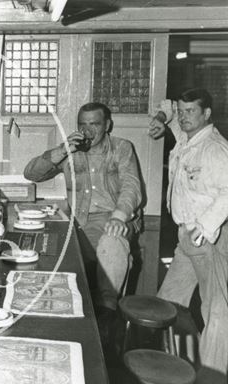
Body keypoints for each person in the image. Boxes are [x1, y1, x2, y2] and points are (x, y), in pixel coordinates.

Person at [23, 102, 143, 343]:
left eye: (94, 124)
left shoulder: (121, 148)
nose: (88, 130)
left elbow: (132, 186)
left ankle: (107, 314)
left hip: (112, 219)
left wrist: (119, 216)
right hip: (79, 223)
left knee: (112, 240)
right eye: (83, 124)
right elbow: (31, 173)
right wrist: (61, 150)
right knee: (46, 251)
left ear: (107, 125)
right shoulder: (70, 150)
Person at [148, 88, 228, 384]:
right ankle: (184, 360)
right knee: (169, 302)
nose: (183, 117)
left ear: (206, 113)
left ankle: (213, 380)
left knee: (216, 307)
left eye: (191, 111)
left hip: (208, 237)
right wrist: (162, 118)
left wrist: (205, 226)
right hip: (186, 237)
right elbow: (165, 107)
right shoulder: (187, 139)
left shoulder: (215, 148)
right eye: (181, 112)